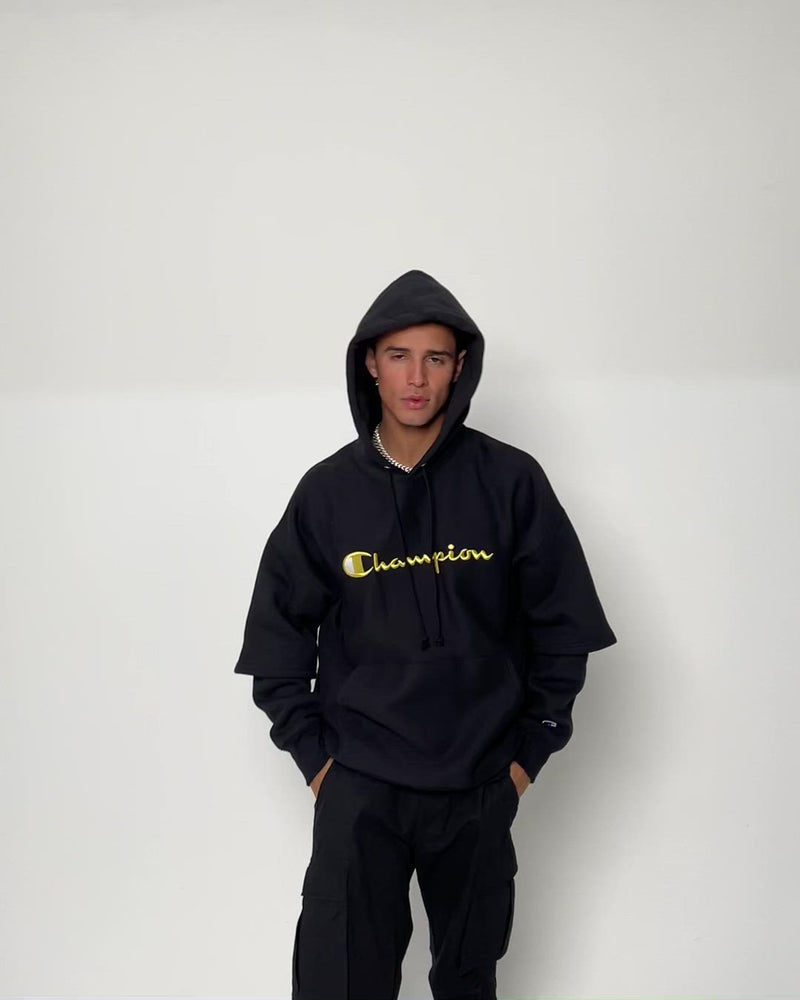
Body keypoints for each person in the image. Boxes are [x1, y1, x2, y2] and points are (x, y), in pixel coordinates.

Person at [233, 269, 617, 1000]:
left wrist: (525, 757)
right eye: (399, 356)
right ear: (370, 364)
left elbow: (563, 627)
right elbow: (277, 639)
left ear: (460, 367)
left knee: (468, 982)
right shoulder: (327, 493)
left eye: (435, 358)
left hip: (478, 784)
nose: (416, 379)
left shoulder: (511, 481)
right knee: (339, 982)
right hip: (360, 785)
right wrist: (318, 763)